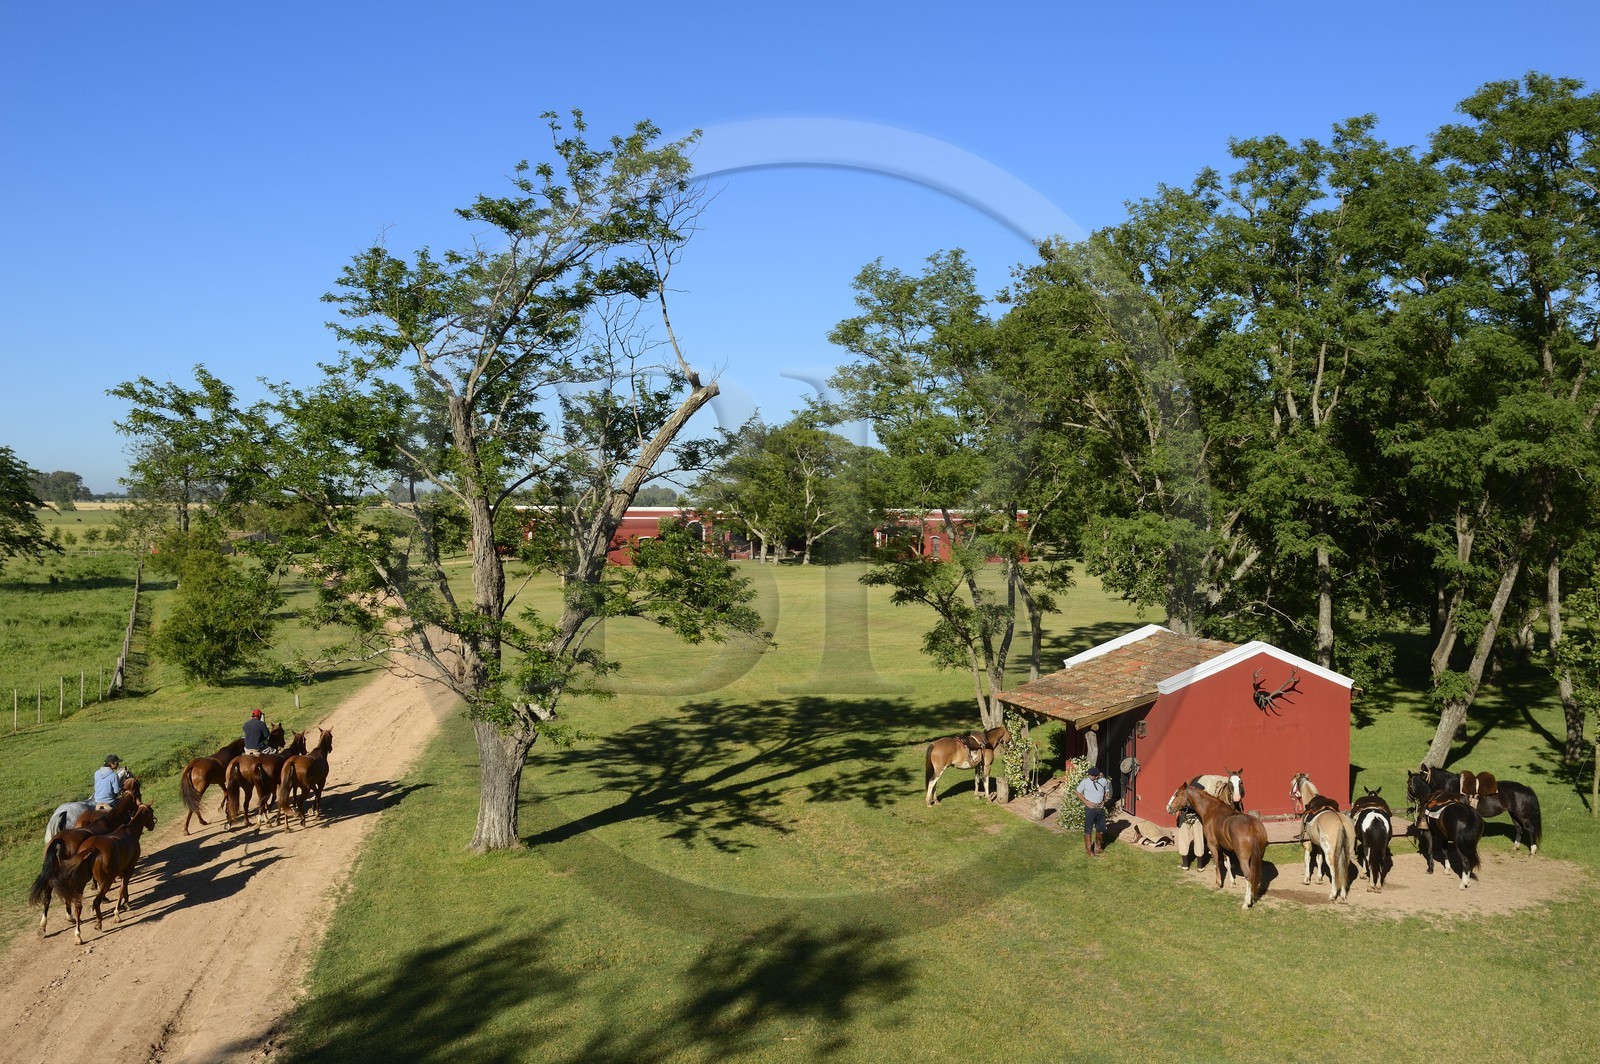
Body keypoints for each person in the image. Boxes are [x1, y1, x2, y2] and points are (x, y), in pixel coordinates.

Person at [1076, 765, 1111, 857]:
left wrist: (1104, 800)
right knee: (1088, 829)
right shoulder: (1085, 782)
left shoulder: (1103, 781)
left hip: (1100, 808)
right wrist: (1085, 802)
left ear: (1097, 775)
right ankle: (1088, 850)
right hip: (1090, 808)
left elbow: (1106, 791)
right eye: (1089, 775)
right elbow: (1078, 792)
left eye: (1092, 775)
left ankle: (1098, 848)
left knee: (1101, 829)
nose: (1090, 776)